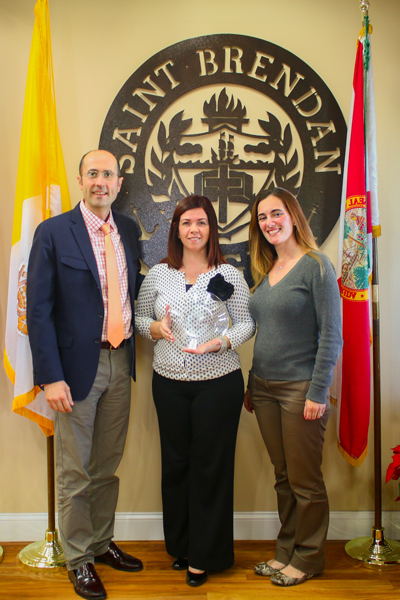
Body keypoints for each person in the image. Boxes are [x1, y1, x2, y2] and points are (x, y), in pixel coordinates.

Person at [27, 150, 144, 600]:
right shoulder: (54, 232)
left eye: (108, 174)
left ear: (119, 183)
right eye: (93, 173)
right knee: (74, 471)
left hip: (121, 361)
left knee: (106, 467)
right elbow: (38, 312)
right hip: (74, 370)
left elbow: (134, 294)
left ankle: (99, 542)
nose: (101, 181)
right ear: (81, 180)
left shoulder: (129, 231)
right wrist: (49, 377)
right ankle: (79, 560)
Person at [135, 195, 255, 587]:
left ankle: (204, 556)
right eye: (186, 223)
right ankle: (182, 546)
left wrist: (218, 343)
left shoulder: (229, 275)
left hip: (218, 385)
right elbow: (137, 318)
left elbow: (246, 325)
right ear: (176, 229)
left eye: (201, 222)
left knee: (210, 467)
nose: (194, 230)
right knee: (176, 465)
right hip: (168, 383)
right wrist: (155, 329)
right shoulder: (157, 275)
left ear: (211, 229)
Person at [244, 187, 342, 587]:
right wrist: (252, 385)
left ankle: (308, 557)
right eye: (262, 217)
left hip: (300, 388)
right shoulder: (266, 272)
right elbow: (265, 334)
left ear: (294, 215)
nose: (269, 222)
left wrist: (318, 391)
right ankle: (285, 552)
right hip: (264, 389)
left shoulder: (316, 266)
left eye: (276, 213)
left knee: (305, 480)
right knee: (283, 477)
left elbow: (331, 335)